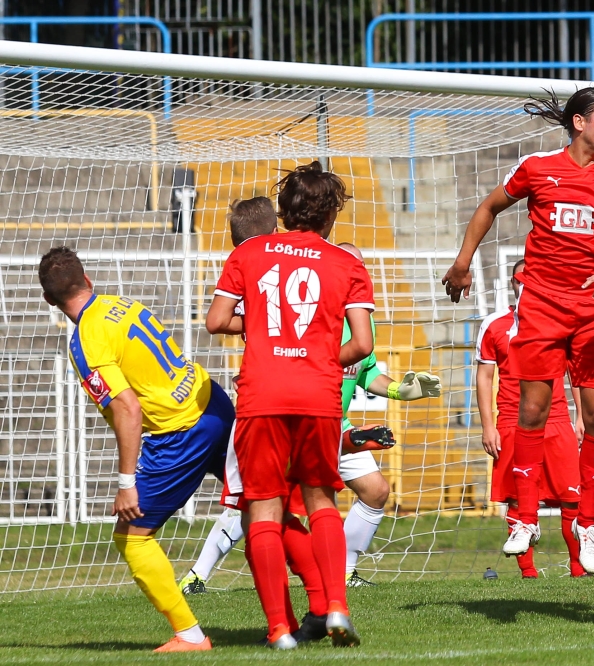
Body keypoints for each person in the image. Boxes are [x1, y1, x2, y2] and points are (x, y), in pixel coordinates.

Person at [442, 87, 594, 574]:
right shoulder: (538, 167)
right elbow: (488, 208)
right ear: (580, 122)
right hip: (541, 304)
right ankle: (523, 518)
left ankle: (588, 523)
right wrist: (462, 263)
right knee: (533, 409)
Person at [182, 205, 440, 596]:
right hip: (300, 414)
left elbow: (365, 370)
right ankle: (201, 574)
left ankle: (341, 577)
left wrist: (400, 391)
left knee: (375, 492)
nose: (356, 276)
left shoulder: (358, 322)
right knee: (265, 503)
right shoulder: (302, 317)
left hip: (332, 419)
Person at [207, 161, 374, 649]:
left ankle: (279, 629)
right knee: (321, 499)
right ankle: (337, 607)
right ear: (331, 214)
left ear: (283, 211)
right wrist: (318, 354)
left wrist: (261, 330)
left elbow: (216, 320)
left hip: (262, 391)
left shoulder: (250, 251)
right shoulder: (346, 263)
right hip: (318, 392)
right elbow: (362, 345)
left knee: (263, 507)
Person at [38, 246, 234, 653]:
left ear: (49, 300)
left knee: (133, 537)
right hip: (210, 399)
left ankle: (190, 635)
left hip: (180, 433)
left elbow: (128, 407)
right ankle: (322, 605)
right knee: (261, 502)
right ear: (87, 280)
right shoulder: (120, 303)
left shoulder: (85, 341)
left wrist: (126, 481)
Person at [476, 259, 586, 579]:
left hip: (557, 419)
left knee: (570, 497)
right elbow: (484, 377)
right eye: (519, 279)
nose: (524, 284)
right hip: (511, 420)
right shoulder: (495, 324)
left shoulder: (560, 321)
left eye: (531, 279)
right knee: (517, 497)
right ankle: (528, 573)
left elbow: (573, 372)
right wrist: (488, 426)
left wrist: (579, 417)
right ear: (511, 283)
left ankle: (579, 569)